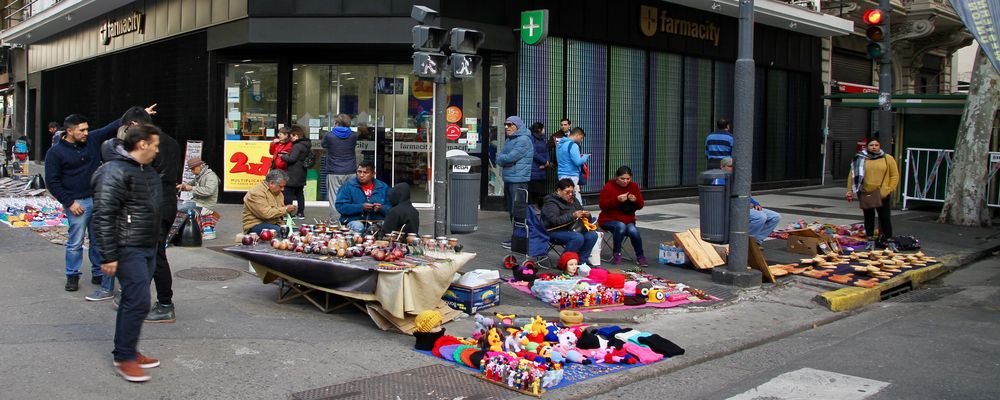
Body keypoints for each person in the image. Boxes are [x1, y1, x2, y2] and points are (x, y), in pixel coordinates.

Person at [91, 123, 163, 382]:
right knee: (139, 300)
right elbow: (104, 216)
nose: (157, 149)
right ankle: (124, 358)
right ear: (142, 143)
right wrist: (108, 255)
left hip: (148, 244)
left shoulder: (148, 170)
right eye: (154, 144)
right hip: (126, 246)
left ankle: (127, 350)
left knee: (133, 300)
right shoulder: (114, 171)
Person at [45, 111, 126, 292]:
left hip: (97, 199)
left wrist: (136, 114)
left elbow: (110, 128)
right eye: (82, 130)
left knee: (98, 239)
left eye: (87, 129)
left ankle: (98, 272)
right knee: (76, 241)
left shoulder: (92, 140)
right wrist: (69, 202)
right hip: (77, 203)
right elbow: (52, 181)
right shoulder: (56, 152)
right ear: (70, 131)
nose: (86, 133)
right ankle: (72, 275)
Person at [846, 138, 900, 251]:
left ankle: (889, 240)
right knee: (868, 217)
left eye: (876, 145)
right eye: (871, 145)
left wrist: (889, 189)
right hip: (866, 192)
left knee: (885, 217)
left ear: (879, 146)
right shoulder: (860, 158)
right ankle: (870, 240)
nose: (874, 147)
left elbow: (894, 176)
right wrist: (850, 190)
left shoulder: (887, 158)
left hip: (882, 193)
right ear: (867, 147)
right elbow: (852, 174)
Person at [720, 157, 781, 246]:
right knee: (760, 217)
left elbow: (746, 194)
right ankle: (744, 243)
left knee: (775, 217)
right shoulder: (719, 180)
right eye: (730, 166)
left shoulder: (737, 179)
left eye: (734, 166)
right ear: (722, 167)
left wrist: (755, 203)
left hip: (744, 206)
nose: (733, 169)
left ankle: (756, 241)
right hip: (732, 208)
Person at [598, 166, 649, 267]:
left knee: (634, 232)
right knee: (620, 226)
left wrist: (635, 200)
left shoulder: (634, 186)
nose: (625, 181)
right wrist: (617, 200)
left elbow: (641, 205)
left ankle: (640, 256)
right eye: (622, 178)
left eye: (628, 179)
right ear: (617, 178)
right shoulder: (609, 186)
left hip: (628, 219)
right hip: (609, 219)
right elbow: (602, 205)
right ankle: (617, 253)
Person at [496, 116, 533, 249]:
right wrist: (501, 158)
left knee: (518, 210)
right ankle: (517, 237)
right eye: (505, 124)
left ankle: (520, 238)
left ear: (517, 126)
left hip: (518, 180)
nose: (506, 127)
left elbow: (509, 157)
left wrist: (501, 158)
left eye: (510, 124)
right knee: (512, 209)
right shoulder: (511, 139)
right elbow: (501, 157)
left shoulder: (523, 139)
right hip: (511, 178)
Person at [542, 178, 599, 261]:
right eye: (567, 192)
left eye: (572, 192)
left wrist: (587, 215)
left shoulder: (574, 200)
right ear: (559, 190)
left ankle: (582, 262)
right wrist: (573, 215)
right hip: (554, 231)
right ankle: (565, 262)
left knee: (592, 235)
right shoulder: (551, 202)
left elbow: (584, 218)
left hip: (573, 229)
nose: (570, 194)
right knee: (577, 238)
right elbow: (554, 221)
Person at [335, 161, 391, 233]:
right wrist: (361, 207)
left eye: (365, 172)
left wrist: (382, 208)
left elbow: (392, 208)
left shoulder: (383, 187)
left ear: (373, 174)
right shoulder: (348, 186)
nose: (361, 175)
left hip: (377, 220)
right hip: (354, 220)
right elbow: (340, 206)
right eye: (359, 172)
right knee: (359, 227)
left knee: (386, 226)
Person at [323, 114, 358, 224]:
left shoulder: (329, 135)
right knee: (349, 196)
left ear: (336, 122)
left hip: (334, 170)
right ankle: (349, 220)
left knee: (334, 198)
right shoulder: (354, 135)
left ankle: (335, 222)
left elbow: (324, 145)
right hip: (351, 170)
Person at [176, 156, 220, 240]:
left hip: (205, 204)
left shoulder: (211, 176)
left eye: (193, 169)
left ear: (200, 166)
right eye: (191, 169)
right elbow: (190, 183)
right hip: (197, 201)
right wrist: (183, 186)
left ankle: (205, 230)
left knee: (180, 208)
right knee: (178, 204)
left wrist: (192, 188)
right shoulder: (200, 175)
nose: (192, 171)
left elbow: (209, 191)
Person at [242, 169, 296, 234]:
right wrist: (286, 209)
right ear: (271, 183)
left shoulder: (278, 193)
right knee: (282, 232)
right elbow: (266, 214)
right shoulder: (256, 192)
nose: (283, 189)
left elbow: (279, 212)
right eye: (281, 187)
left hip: (275, 224)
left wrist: (291, 211)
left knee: (297, 231)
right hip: (256, 225)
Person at [280, 126, 310, 219]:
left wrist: (283, 156)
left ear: (296, 135)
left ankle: (288, 213)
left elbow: (292, 159)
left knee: (288, 192)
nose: (290, 138)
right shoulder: (305, 144)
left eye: (292, 136)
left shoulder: (297, 146)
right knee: (299, 193)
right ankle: (300, 212)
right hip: (301, 172)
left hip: (294, 173)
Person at [556, 127, 589, 205]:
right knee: (573, 195)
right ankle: (580, 212)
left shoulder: (560, 144)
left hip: (561, 173)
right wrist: (585, 157)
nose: (581, 140)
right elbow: (577, 162)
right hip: (572, 174)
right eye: (581, 138)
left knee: (564, 195)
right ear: (577, 135)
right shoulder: (573, 145)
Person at [528, 122, 550, 207]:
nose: (544, 130)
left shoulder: (542, 139)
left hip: (542, 169)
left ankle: (536, 207)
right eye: (543, 128)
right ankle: (532, 209)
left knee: (539, 192)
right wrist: (544, 161)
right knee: (533, 191)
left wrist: (547, 161)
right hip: (534, 169)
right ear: (539, 129)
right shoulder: (531, 139)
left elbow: (546, 151)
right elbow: (533, 153)